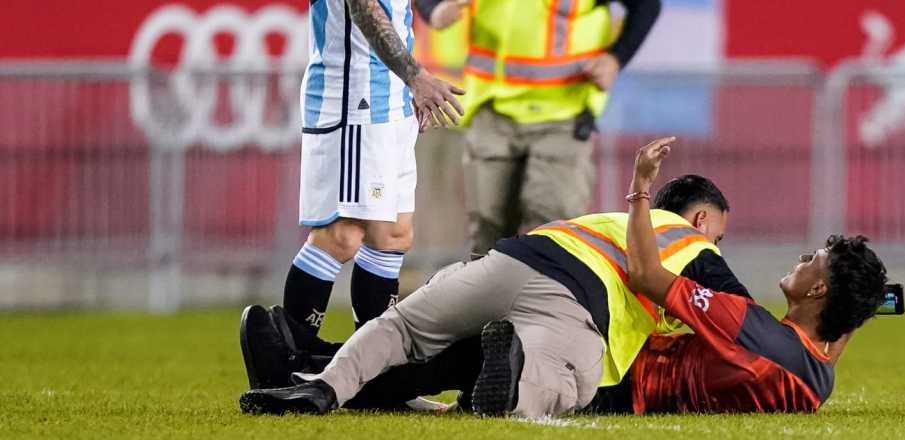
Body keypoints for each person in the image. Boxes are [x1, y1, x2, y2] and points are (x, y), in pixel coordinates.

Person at [238, 143, 741, 418]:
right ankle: (512, 373)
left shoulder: (610, 219)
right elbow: (744, 318)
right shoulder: (689, 244)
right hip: (578, 303)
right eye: (718, 234)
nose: (716, 246)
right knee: (568, 384)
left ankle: (318, 385)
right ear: (701, 221)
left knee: (403, 331)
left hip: (516, 257)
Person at [618, 138, 889, 413]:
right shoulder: (818, 384)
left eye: (812, 259)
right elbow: (825, 354)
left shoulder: (748, 324)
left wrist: (640, 187)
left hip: (621, 377)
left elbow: (646, 276)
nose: (802, 259)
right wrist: (860, 302)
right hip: (640, 396)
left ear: (818, 289)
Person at [270, 0, 465, 368]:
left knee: (393, 235)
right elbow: (364, 10)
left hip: (393, 100)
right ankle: (284, 366)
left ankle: (376, 374)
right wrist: (417, 77)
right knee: (339, 235)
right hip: (353, 98)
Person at [416, 0, 662, 256]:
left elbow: (646, 6)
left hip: (563, 114)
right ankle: (492, 295)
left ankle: (551, 295)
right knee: (488, 236)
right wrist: (435, 10)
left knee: (554, 234)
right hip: (493, 110)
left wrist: (615, 58)